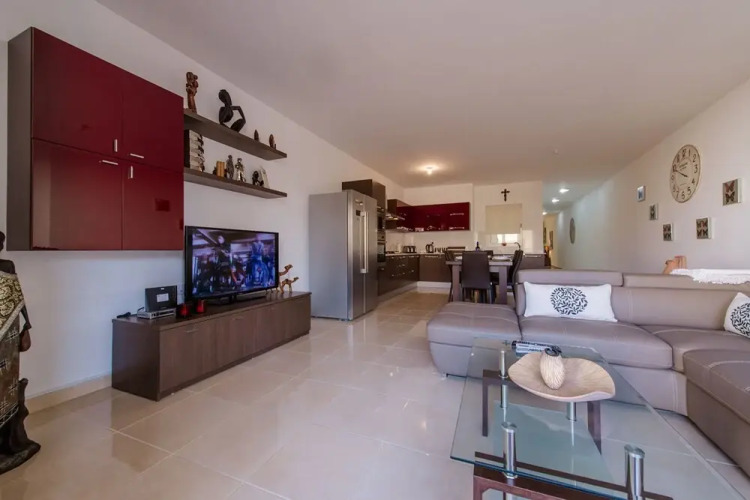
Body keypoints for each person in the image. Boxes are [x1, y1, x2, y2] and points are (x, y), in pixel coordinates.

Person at [0, 231, 40, 473]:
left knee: (8, 385)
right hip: (6, 333)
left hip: (7, 335)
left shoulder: (6, 266)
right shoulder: (6, 266)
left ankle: (10, 439)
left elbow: (17, 299)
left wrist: (27, 325)